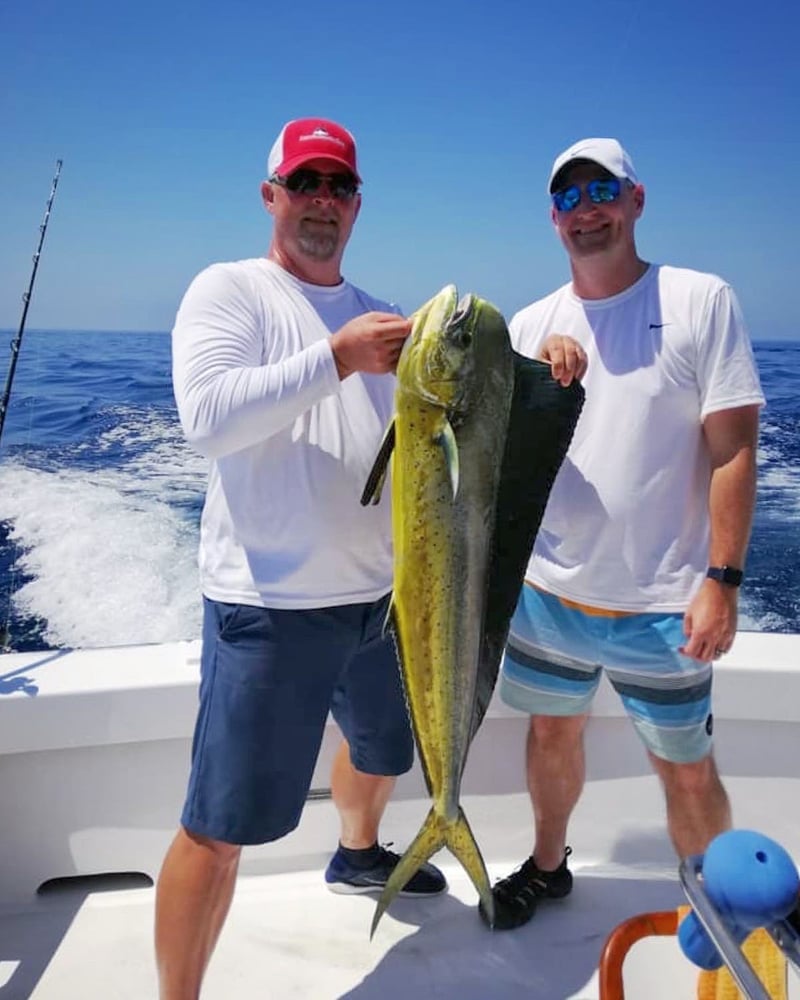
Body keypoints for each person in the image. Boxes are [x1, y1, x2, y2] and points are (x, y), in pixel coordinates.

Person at [156, 117, 446, 998]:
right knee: (220, 826)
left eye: (339, 186)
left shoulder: (381, 311)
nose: (323, 200)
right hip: (270, 607)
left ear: (357, 204)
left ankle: (358, 854)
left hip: (382, 603)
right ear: (271, 194)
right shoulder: (229, 291)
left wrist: (548, 366)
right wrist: (333, 358)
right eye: (307, 182)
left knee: (385, 751)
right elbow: (206, 421)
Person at [482, 137, 765, 931]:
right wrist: (538, 380)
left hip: (666, 606)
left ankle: (721, 911)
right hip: (550, 597)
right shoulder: (533, 323)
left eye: (601, 190)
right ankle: (548, 866)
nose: (587, 210)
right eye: (568, 199)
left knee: (686, 770)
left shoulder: (700, 300)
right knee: (550, 737)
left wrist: (724, 580)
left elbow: (734, 447)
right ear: (552, 219)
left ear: (636, 199)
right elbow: (504, 459)